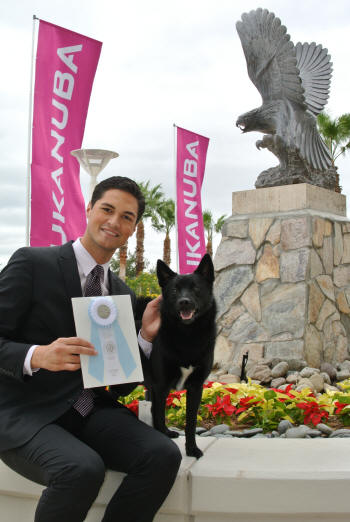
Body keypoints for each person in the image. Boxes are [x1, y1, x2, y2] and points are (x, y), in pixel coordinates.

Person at [0, 176, 182, 522]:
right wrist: (36, 355)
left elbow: (122, 385)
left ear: (133, 229)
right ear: (89, 209)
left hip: (87, 411)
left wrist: (144, 338)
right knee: (81, 469)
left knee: (163, 455)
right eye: (107, 209)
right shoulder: (33, 263)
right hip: (25, 412)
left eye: (126, 217)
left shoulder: (122, 295)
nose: (114, 222)